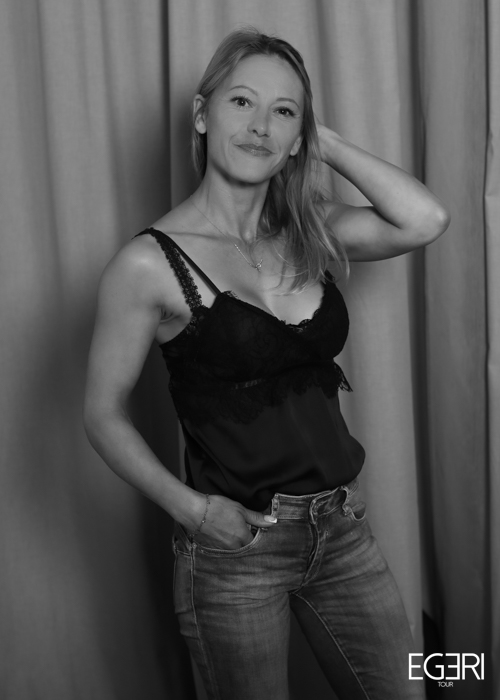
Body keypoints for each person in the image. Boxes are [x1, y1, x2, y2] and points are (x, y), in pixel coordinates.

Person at [83, 28, 449, 700]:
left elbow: (425, 219)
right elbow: (102, 414)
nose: (260, 127)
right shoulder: (147, 264)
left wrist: (321, 140)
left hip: (342, 526)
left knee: (409, 686)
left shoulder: (309, 230)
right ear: (202, 115)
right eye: (242, 102)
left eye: (283, 112)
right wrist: (194, 511)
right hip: (236, 552)